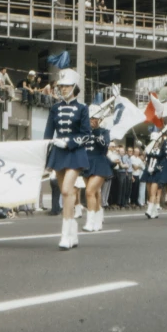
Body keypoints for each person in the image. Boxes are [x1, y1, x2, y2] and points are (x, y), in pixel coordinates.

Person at [44, 68, 90, 250]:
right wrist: (47, 154)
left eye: (66, 86)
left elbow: (86, 134)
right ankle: (73, 232)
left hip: (74, 152)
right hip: (58, 152)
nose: (63, 89)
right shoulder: (55, 108)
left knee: (65, 190)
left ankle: (65, 234)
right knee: (68, 193)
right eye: (61, 86)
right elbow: (48, 134)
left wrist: (69, 142)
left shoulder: (82, 108)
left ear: (74, 87)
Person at [81, 104, 112, 232]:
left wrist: (97, 134)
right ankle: (98, 218)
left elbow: (104, 147)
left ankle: (90, 222)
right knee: (95, 192)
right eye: (90, 118)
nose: (91, 121)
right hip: (86, 163)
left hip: (99, 163)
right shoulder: (84, 132)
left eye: (94, 118)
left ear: (99, 120)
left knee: (89, 191)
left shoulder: (104, 132)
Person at [143, 127, 162, 219]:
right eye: (153, 141)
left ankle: (149, 210)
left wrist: (155, 169)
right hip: (148, 172)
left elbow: (162, 164)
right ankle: (155, 212)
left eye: (156, 141)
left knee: (153, 192)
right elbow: (146, 161)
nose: (155, 143)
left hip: (156, 173)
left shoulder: (161, 152)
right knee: (149, 192)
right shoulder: (148, 151)